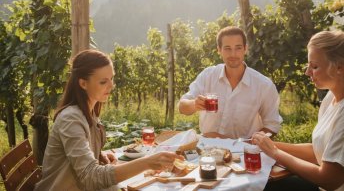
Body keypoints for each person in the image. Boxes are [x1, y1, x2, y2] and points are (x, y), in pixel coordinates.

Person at [34, 50, 182, 191]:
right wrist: (148, 162)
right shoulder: (71, 118)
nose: (111, 86)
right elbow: (90, 177)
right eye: (103, 82)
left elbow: (77, 154)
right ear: (83, 83)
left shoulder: (88, 111)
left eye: (111, 78)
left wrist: (98, 154)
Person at [253, 30, 344, 191]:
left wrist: (275, 153)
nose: (307, 72)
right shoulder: (331, 97)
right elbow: (318, 152)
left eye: (314, 66)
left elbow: (329, 179)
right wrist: (267, 145)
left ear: (339, 68)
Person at [178, 26, 282, 139]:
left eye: (238, 48)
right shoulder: (208, 75)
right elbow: (182, 107)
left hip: (243, 151)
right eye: (227, 48)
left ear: (245, 49)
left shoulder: (264, 85)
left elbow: (272, 125)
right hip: (208, 150)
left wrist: (250, 143)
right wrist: (194, 104)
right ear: (219, 50)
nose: (233, 54)